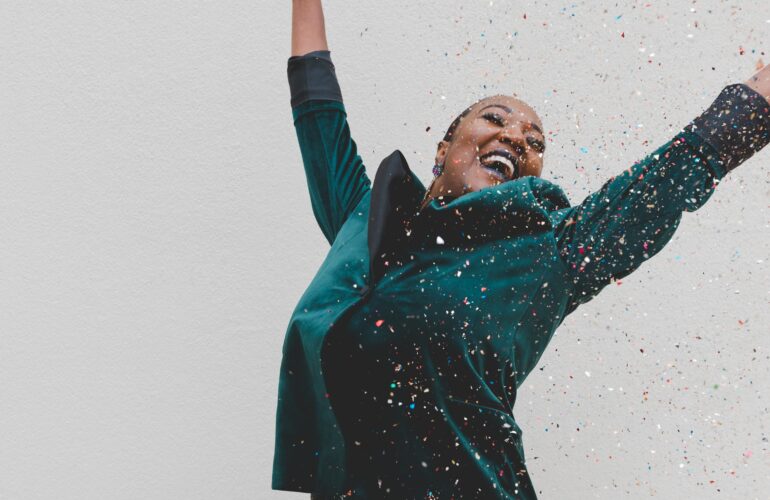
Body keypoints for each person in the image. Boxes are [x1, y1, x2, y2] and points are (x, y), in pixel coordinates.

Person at [274, 1, 770, 498]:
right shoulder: (362, 220)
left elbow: (661, 183)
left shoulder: (547, 253)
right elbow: (318, 108)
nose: (514, 137)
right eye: (495, 118)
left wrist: (758, 98)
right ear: (444, 147)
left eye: (534, 142)